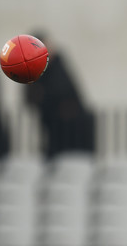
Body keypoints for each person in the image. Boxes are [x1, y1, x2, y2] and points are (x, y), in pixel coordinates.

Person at [24, 32, 95, 160]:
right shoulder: (34, 72)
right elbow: (31, 97)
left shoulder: (57, 66)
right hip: (53, 129)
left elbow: (62, 92)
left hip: (71, 129)